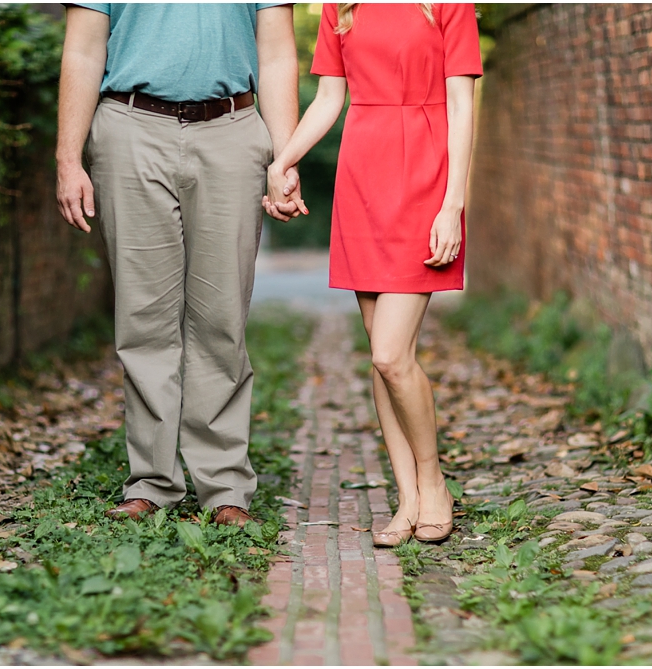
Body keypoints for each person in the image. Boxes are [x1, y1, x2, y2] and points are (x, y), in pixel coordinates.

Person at [56, 4, 304, 527]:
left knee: (221, 317)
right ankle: (151, 481)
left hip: (233, 129)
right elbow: (82, 48)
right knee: (144, 319)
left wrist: (284, 160)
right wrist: (67, 159)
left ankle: (225, 486)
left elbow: (278, 53)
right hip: (128, 128)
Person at [265, 3, 481, 545]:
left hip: (426, 177)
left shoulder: (447, 4)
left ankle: (434, 485)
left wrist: (453, 203)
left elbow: (461, 102)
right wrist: (282, 160)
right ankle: (407, 500)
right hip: (363, 178)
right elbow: (330, 99)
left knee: (390, 352)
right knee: (384, 359)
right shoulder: (343, 6)